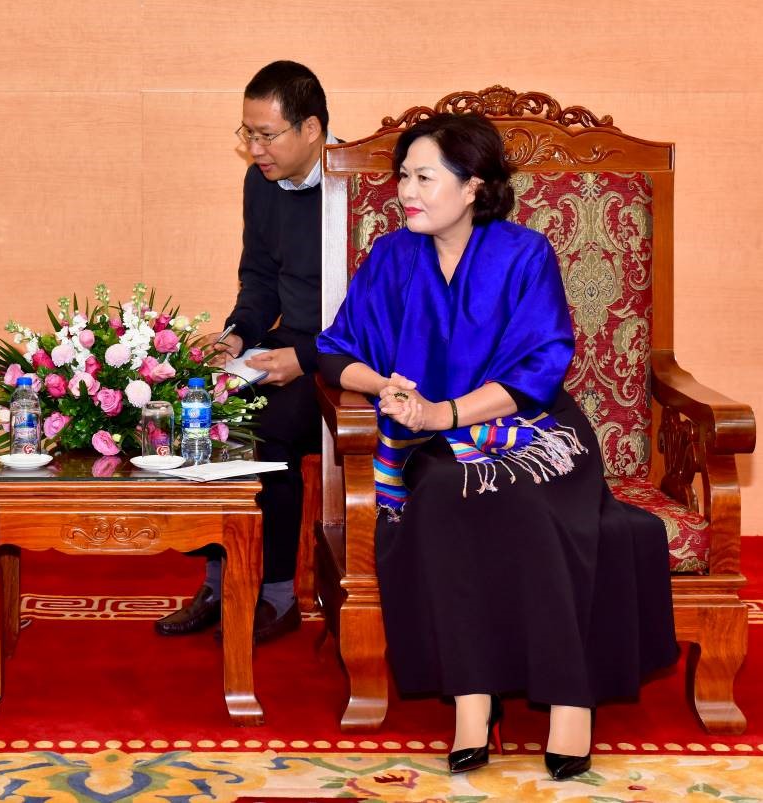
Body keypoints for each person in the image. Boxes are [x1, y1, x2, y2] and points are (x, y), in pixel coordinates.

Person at [316, 112, 677, 780]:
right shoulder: (393, 258)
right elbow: (336, 350)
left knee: (517, 501)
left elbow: (538, 369)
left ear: (473, 186)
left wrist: (444, 410)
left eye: (425, 177)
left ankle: (571, 700)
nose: (406, 191)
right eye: (403, 176)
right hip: (434, 443)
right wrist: (385, 385)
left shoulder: (524, 253)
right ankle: (472, 698)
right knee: (443, 489)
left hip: (535, 432)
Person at [155, 60, 334, 643]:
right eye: (247, 133)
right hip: (290, 342)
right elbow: (259, 277)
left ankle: (276, 595)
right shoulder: (261, 182)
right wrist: (236, 335)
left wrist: (308, 358)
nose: (254, 149)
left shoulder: (359, 184)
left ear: (311, 128)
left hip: (350, 354)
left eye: (266, 135)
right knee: (202, 406)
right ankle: (219, 580)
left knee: (268, 428)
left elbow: (388, 305)